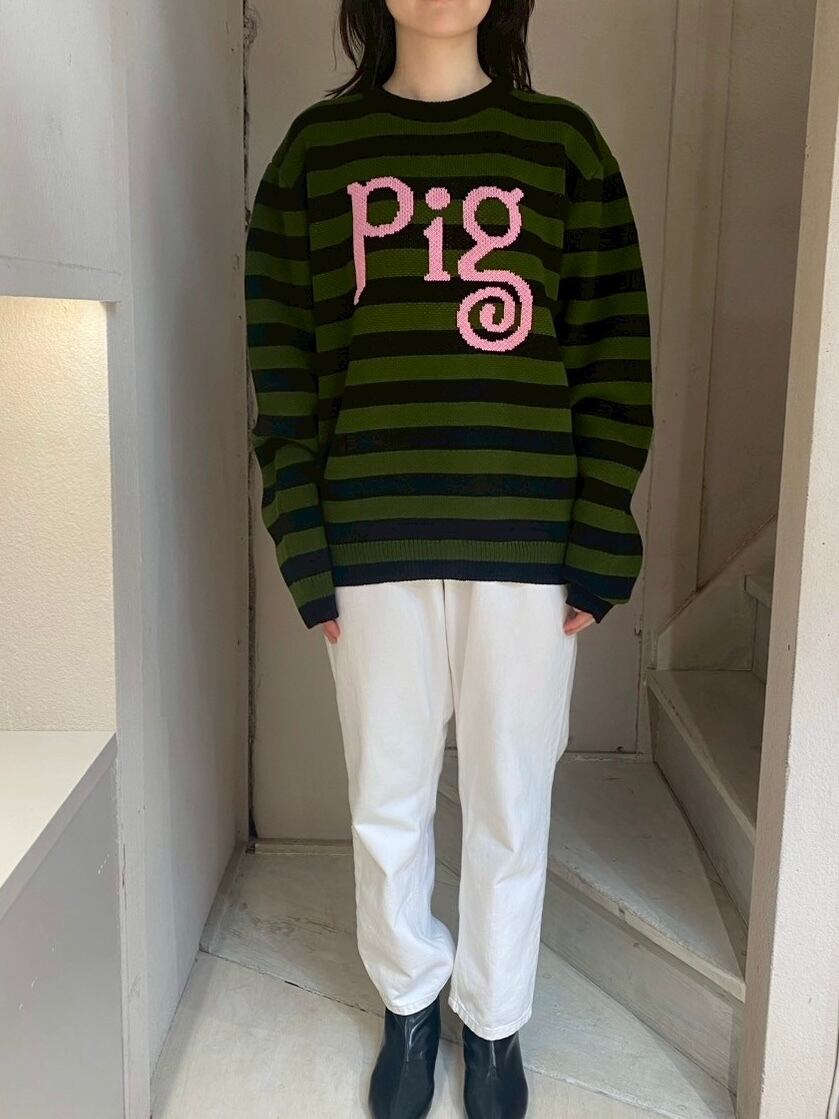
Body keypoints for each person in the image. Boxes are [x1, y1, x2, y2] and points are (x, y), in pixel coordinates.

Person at [244, 0, 654, 1115]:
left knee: (512, 797)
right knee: (385, 796)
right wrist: (302, 538)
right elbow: (282, 365)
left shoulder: (561, 147)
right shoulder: (317, 154)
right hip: (369, 533)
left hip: (526, 537)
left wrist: (599, 535)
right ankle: (410, 1002)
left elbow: (611, 351)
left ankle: (496, 1017)